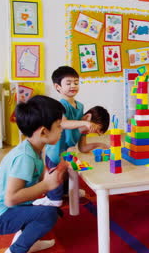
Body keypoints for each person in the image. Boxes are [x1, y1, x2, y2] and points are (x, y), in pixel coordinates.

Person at [0, 95, 67, 253]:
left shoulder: (35, 148)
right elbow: (11, 199)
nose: (62, 130)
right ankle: (16, 250)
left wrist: (54, 175)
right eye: (59, 125)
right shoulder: (24, 157)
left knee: (49, 210)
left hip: (10, 209)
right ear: (43, 132)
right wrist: (47, 184)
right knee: (48, 215)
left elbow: (39, 178)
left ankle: (29, 241)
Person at [33, 66, 109, 207]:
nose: (73, 86)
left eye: (76, 82)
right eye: (68, 83)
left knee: (69, 172)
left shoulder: (79, 106)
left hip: (66, 154)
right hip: (55, 152)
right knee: (55, 177)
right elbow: (63, 123)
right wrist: (84, 123)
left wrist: (99, 144)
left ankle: (65, 192)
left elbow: (83, 147)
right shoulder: (60, 105)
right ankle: (51, 197)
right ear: (58, 87)